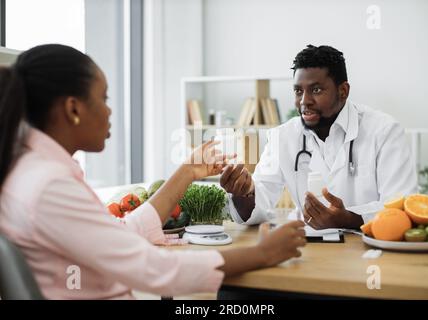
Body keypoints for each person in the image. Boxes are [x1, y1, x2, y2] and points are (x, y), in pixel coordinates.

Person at [0, 44, 306, 299]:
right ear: (73, 109)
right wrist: (263, 253)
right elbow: (154, 269)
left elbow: (119, 237)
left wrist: (187, 172)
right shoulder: (50, 186)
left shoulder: (30, 172)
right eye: (104, 99)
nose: (109, 111)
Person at [220, 45, 417, 229]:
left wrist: (348, 218)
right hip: (312, 253)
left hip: (370, 251)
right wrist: (244, 193)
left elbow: (400, 205)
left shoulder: (384, 131)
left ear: (343, 91)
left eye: (316, 90)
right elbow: (259, 204)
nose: (304, 101)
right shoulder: (283, 137)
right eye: (298, 91)